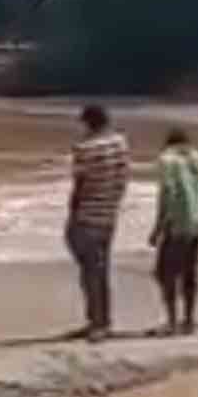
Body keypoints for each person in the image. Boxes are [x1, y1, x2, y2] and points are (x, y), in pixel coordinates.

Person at [149, 128, 198, 336]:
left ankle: (172, 322)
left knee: (164, 273)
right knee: (189, 273)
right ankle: (189, 322)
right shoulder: (195, 156)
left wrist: (157, 228)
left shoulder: (166, 160)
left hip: (177, 224)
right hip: (197, 223)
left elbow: (168, 193)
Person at [67, 105, 130, 343]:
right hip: (109, 214)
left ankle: (98, 323)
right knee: (100, 269)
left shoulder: (84, 148)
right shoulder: (121, 143)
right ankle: (101, 320)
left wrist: (73, 213)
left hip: (87, 215)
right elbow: (123, 178)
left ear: (88, 123)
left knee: (90, 271)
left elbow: (79, 185)